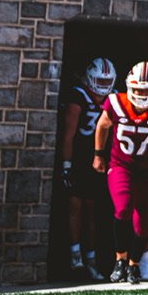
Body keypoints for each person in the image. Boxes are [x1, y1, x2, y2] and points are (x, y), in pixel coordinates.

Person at [93, 61, 148, 287]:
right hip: (121, 164)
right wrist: (98, 154)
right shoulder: (116, 102)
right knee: (122, 208)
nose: (141, 95)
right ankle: (120, 260)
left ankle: (134, 264)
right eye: (137, 89)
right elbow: (102, 126)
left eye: (146, 90)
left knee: (143, 221)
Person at [59, 57, 118, 280]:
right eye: (99, 81)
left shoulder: (113, 98)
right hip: (80, 158)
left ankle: (91, 258)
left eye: (107, 82)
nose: (103, 87)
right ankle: (75, 256)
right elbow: (69, 135)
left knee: (93, 209)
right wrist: (66, 165)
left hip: (100, 160)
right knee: (75, 204)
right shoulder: (78, 97)